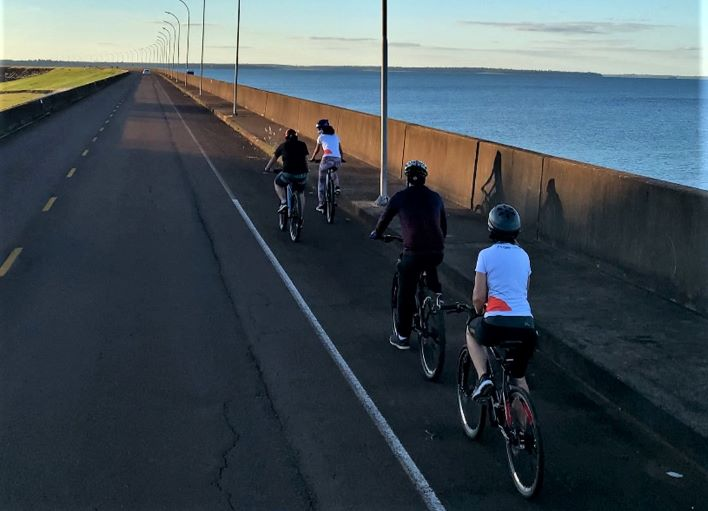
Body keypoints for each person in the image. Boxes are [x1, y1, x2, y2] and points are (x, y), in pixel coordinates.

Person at [369, 160, 447, 350]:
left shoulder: (400, 197)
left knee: (405, 290)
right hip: (437, 251)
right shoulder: (435, 197)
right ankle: (436, 294)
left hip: (413, 253)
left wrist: (377, 234)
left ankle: (403, 336)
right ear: (424, 178)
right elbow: (443, 227)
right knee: (430, 263)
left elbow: (384, 219)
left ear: (407, 179)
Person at [466, 203, 537, 399]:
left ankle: (483, 378)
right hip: (526, 326)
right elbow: (524, 292)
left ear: (491, 228)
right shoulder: (524, 256)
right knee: (519, 378)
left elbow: (478, 297)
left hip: (496, 324)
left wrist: (479, 311)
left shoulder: (485, 255)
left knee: (471, 332)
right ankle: (524, 427)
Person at [264, 128, 310, 213]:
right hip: (302, 174)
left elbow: (274, 159)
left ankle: (284, 202)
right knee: (301, 192)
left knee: (277, 183)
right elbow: (306, 159)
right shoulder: (303, 145)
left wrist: (267, 168)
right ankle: (301, 217)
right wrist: (307, 170)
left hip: (288, 173)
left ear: (286, 137)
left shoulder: (283, 145)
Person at [310, 119, 345, 213]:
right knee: (333, 171)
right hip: (337, 159)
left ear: (321, 129)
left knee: (321, 181)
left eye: (319, 128)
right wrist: (342, 158)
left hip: (326, 159)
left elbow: (317, 150)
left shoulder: (321, 137)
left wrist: (312, 158)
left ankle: (321, 204)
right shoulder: (336, 136)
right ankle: (337, 187)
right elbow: (340, 150)